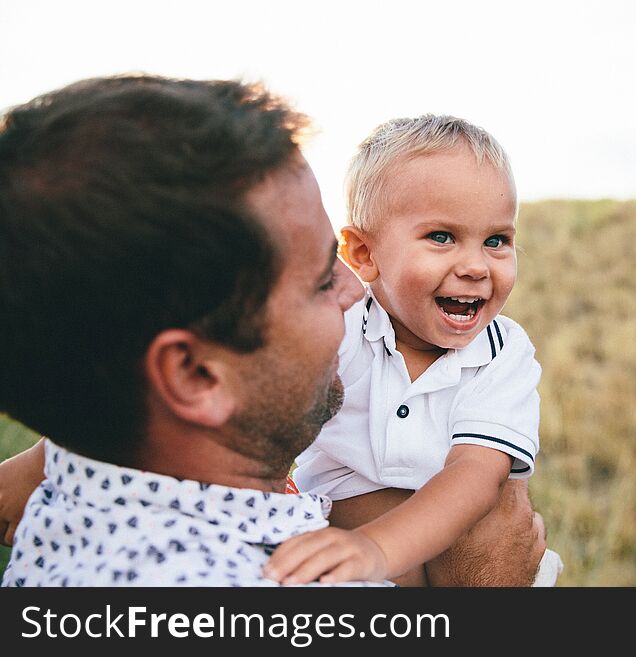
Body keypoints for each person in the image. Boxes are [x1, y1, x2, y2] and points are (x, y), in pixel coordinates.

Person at [0, 75, 545, 586]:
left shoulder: (95, 474)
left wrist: (45, 459)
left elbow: (475, 472)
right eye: (317, 281)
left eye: (497, 240)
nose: (352, 292)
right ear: (193, 374)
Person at [263, 116, 562, 586]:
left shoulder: (503, 353)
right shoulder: (339, 328)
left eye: (496, 241)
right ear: (363, 254)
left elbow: (477, 474)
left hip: (454, 559)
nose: (475, 266)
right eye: (441, 237)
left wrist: (376, 548)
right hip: (340, 552)